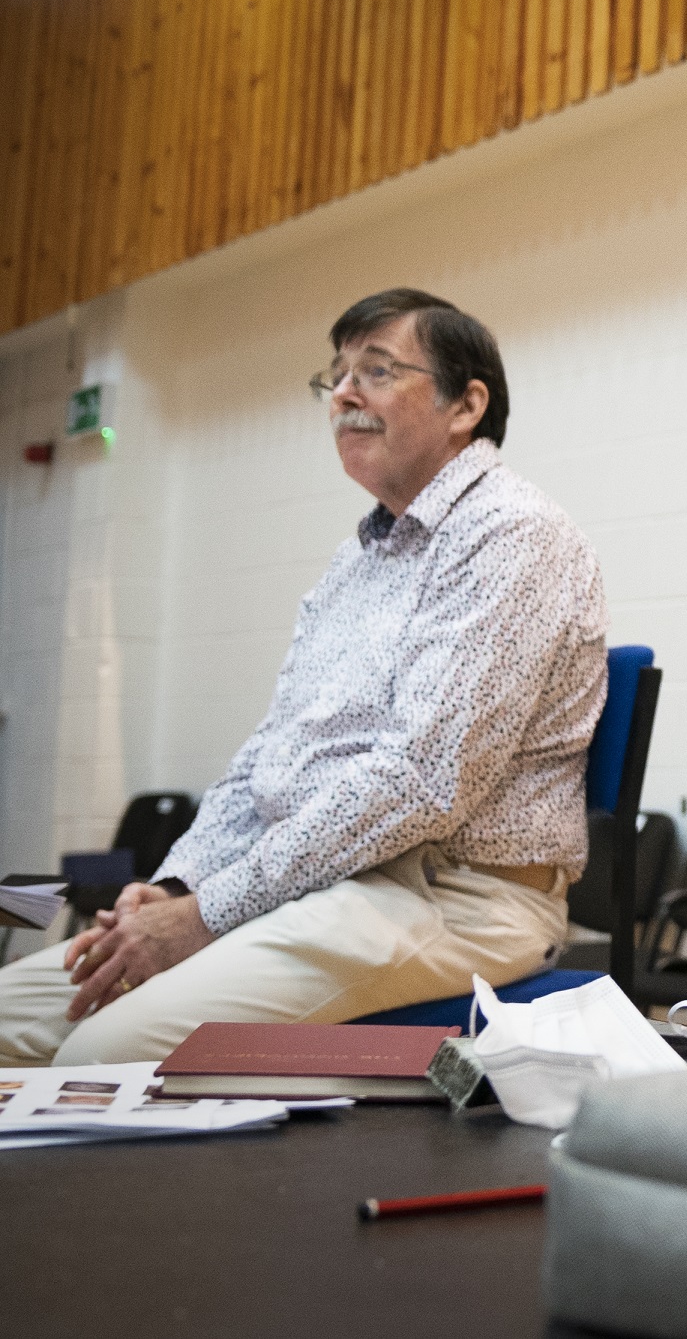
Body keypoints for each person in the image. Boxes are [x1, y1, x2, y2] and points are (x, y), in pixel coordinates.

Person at [0, 290, 607, 1066]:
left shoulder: (515, 536)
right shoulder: (357, 562)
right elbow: (269, 757)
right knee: (11, 1014)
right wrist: (181, 886)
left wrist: (209, 913)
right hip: (327, 883)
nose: (344, 394)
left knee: (104, 1050)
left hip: (456, 899)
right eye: (337, 376)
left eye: (378, 370)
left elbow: (422, 781)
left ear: (466, 405)